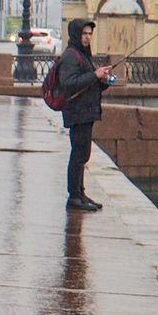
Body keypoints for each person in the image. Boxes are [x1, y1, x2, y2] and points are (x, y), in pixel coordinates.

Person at [51, 18, 117, 212]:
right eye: (84, 34)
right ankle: (74, 196)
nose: (88, 37)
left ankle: (80, 193)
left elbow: (88, 83)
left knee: (83, 154)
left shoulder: (83, 54)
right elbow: (69, 83)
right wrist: (94, 75)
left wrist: (102, 80)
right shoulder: (71, 56)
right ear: (76, 35)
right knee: (78, 155)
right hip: (77, 112)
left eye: (90, 34)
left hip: (86, 112)